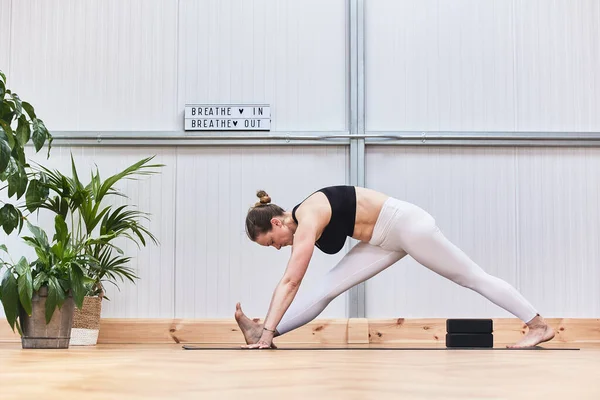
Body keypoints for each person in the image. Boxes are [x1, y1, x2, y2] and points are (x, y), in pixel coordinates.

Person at [235, 185, 555, 349]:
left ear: (276, 222)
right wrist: (265, 332)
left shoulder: (308, 217)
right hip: (381, 239)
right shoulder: (305, 217)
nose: (278, 247)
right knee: (327, 288)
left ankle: (539, 325)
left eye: (272, 242)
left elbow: (291, 280)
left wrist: (265, 337)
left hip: (406, 225)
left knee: (471, 277)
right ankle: (265, 331)